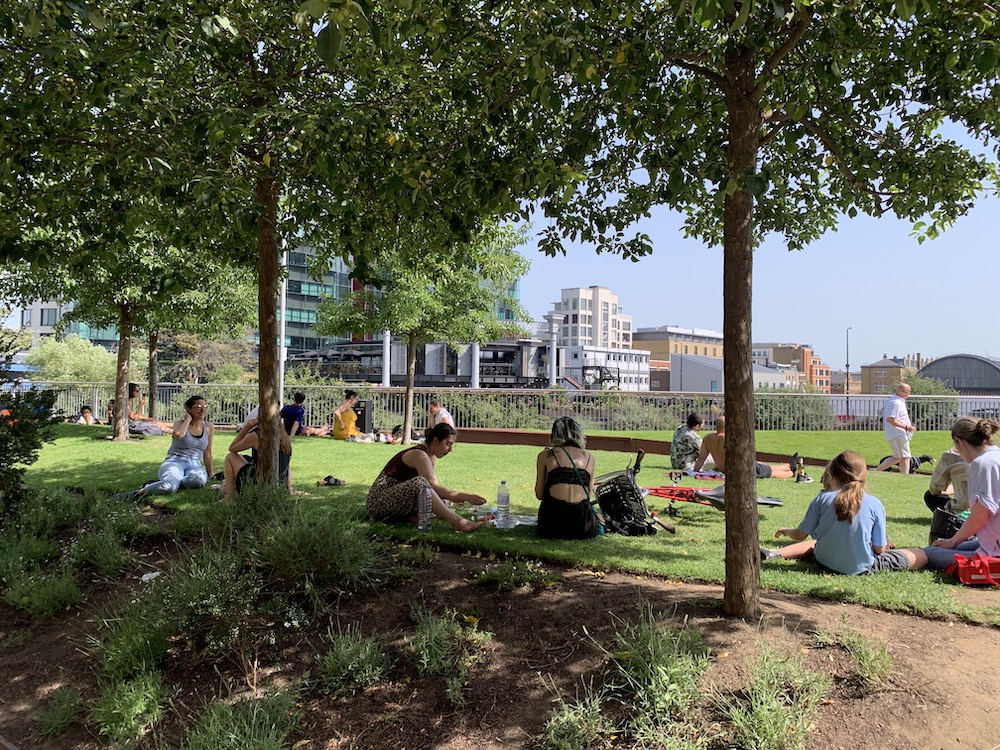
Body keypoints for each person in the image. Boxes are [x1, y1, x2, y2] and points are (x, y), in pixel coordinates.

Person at [761, 450, 927, 574]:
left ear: (832, 475)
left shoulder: (822, 499)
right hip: (860, 567)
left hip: (823, 561)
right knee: (920, 555)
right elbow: (880, 550)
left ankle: (775, 553)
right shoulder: (875, 503)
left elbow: (800, 535)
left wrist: (787, 531)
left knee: (818, 542)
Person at [366, 423, 485, 532]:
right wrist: (464, 496)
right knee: (421, 483)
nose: (450, 450)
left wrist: (451, 498)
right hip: (378, 503)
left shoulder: (430, 455)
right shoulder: (420, 455)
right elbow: (431, 486)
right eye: (448, 444)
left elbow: (432, 491)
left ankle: (408, 516)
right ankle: (457, 522)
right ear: (436, 441)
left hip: (396, 499)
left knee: (441, 500)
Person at [924, 417, 1000, 569]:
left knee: (929, 553)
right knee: (951, 547)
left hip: (993, 553)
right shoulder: (996, 456)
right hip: (993, 542)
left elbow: (980, 515)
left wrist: (953, 541)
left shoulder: (982, 463)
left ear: (959, 442)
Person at [127, 395, 214, 499]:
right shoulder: (179, 424)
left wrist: (210, 473)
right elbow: (179, 435)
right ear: (188, 409)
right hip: (175, 461)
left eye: (205, 407)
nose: (203, 410)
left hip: (194, 464)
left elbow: (207, 452)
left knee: (198, 480)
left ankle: (174, 482)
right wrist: (188, 419)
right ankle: (138, 493)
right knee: (169, 487)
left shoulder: (209, 427)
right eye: (198, 407)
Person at [535, 416, 599, 539]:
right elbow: (588, 496)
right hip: (583, 525)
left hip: (553, 524)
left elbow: (539, 494)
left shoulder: (545, 456)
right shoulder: (590, 458)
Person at [692, 416, 806, 480]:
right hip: (739, 469)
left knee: (764, 467)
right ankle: (792, 473)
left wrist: (695, 472)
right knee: (770, 472)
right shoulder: (728, 438)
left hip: (724, 470)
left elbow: (701, 458)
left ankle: (789, 466)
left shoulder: (708, 438)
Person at [220, 417, 293, 497]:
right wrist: (290, 490)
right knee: (242, 458)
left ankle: (230, 497)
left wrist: (247, 427)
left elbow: (232, 448)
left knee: (230, 457)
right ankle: (229, 487)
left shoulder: (258, 436)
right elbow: (287, 466)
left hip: (260, 483)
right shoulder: (284, 437)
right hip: (279, 486)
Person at [874, 383, 916, 474]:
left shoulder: (895, 401)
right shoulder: (896, 403)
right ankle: (905, 478)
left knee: (898, 457)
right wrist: (907, 427)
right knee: (905, 457)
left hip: (897, 433)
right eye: (908, 392)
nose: (909, 394)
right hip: (898, 433)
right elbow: (891, 419)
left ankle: (876, 471)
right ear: (903, 392)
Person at [924, 447, 969, 513]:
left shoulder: (952, 455)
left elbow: (934, 490)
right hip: (986, 510)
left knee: (930, 496)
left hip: (963, 512)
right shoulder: (987, 455)